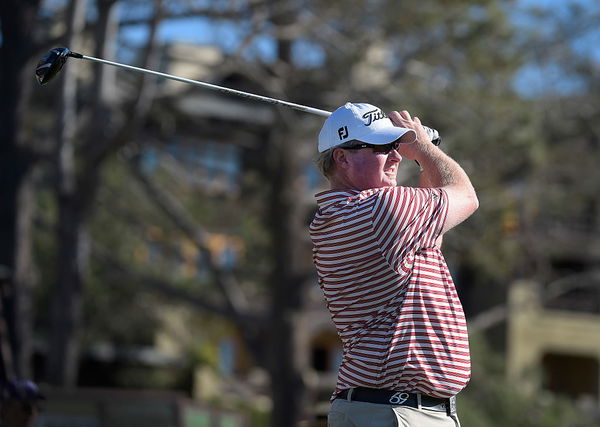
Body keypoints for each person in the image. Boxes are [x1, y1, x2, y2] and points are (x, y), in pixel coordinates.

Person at [309, 102, 478, 427]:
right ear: (342, 157)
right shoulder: (382, 208)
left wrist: (427, 152)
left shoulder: (336, 218)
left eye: (396, 147)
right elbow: (466, 196)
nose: (398, 157)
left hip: (380, 408)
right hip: (396, 412)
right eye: (383, 148)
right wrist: (425, 149)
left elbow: (430, 237)